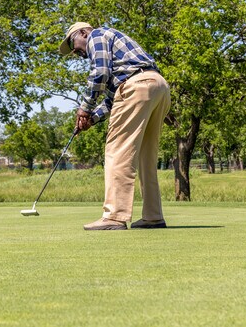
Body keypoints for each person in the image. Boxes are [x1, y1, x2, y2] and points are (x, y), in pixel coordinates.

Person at [59, 22, 171, 231]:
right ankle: (153, 216)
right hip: (158, 86)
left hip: (136, 87)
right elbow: (112, 100)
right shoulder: (117, 50)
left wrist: (84, 108)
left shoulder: (97, 36)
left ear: (83, 32)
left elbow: (99, 73)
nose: (76, 52)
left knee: (117, 151)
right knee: (147, 156)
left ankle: (114, 216)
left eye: (73, 44)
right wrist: (92, 118)